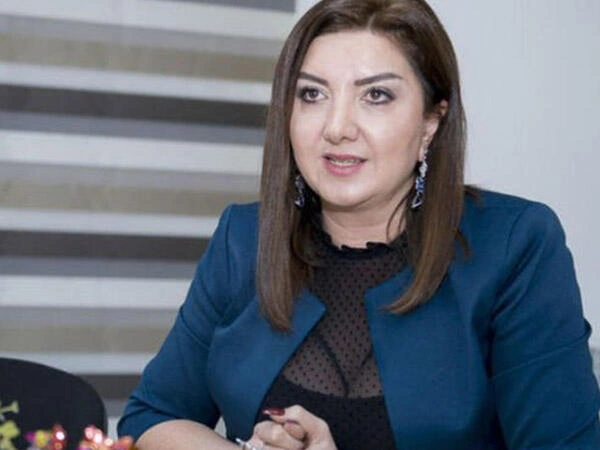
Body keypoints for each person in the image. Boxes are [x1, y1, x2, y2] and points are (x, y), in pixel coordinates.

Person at [117, 0, 600, 449]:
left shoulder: (516, 245)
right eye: (312, 94)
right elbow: (151, 417)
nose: (337, 127)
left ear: (431, 121)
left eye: (376, 95)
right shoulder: (245, 238)